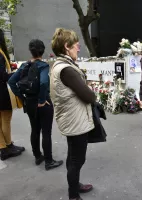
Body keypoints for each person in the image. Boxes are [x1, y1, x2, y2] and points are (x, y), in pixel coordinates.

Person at [50, 28, 96, 200]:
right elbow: (89, 96)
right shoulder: (67, 70)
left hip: (71, 119)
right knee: (77, 160)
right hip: (75, 121)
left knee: (73, 158)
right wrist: (91, 91)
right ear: (67, 46)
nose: (79, 48)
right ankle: (73, 195)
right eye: (76, 45)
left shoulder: (60, 66)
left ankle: (75, 187)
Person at [8, 39, 63, 170]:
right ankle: (49, 161)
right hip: (42, 103)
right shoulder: (42, 66)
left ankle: (38, 156)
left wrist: (22, 97)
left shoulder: (24, 65)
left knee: (35, 130)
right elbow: (44, 83)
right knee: (46, 132)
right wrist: (42, 100)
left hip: (30, 102)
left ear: (31, 51)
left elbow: (11, 81)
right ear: (42, 51)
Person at [0, 29, 25, 160]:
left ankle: (4, 147)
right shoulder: (0, 53)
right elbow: (2, 76)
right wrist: (17, 73)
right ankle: (6, 147)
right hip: (2, 92)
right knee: (5, 119)